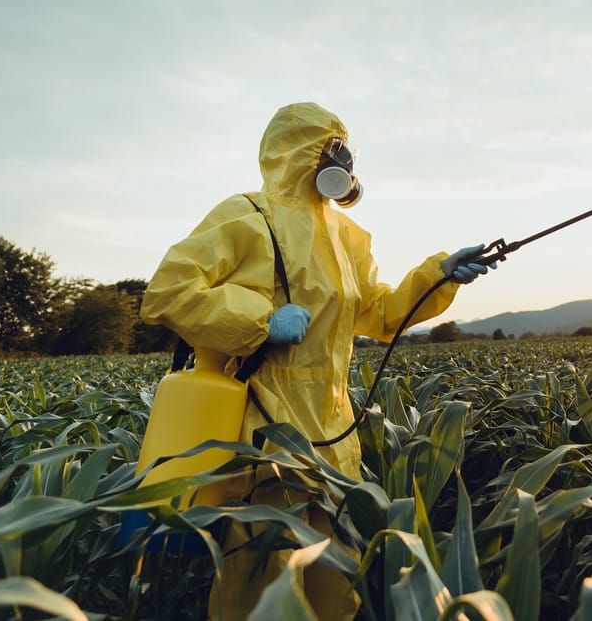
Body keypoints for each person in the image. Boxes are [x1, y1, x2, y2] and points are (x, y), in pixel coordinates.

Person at [139, 102, 493, 621]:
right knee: (264, 584)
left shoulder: (348, 236)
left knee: (335, 583)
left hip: (334, 433)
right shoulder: (245, 216)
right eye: (335, 148)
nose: (345, 162)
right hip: (265, 433)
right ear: (305, 152)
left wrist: (436, 276)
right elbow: (168, 292)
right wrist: (260, 318)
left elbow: (379, 312)